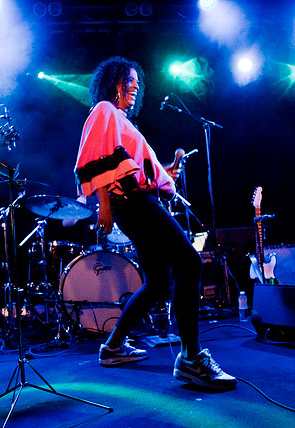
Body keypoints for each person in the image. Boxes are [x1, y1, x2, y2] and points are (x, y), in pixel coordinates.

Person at [73, 56, 236, 390]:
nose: (135, 86)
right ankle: (191, 359)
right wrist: (104, 204)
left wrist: (164, 173)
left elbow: (130, 166)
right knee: (189, 261)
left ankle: (113, 347)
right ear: (113, 82)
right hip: (130, 202)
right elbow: (95, 160)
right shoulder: (104, 110)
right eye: (128, 80)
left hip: (135, 201)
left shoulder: (123, 122)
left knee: (158, 285)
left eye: (136, 81)